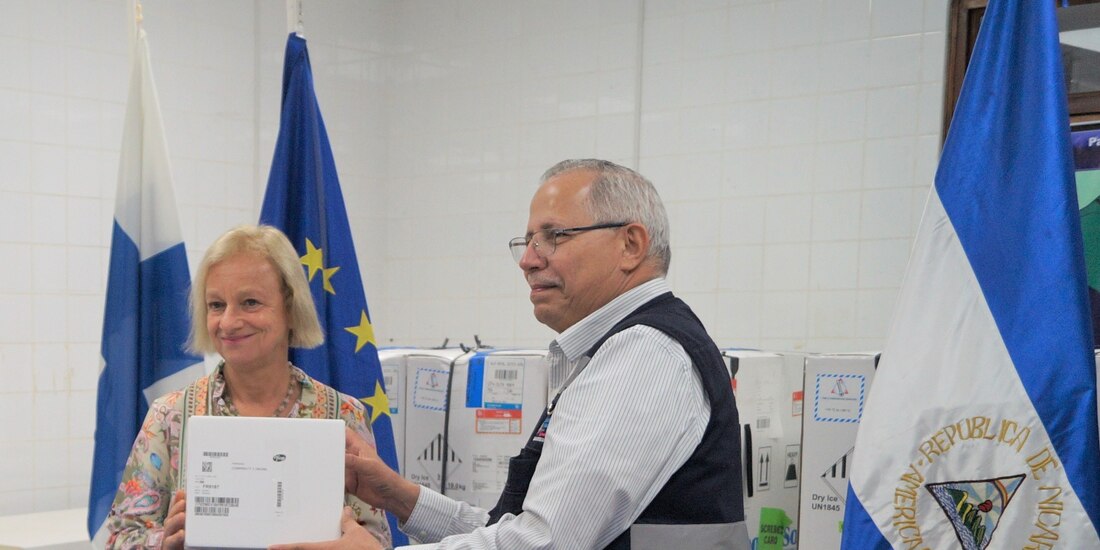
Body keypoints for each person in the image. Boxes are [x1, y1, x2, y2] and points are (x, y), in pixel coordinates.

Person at [331, 159, 748, 549]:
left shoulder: (644, 354)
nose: (528, 260)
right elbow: (519, 528)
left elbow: (544, 541)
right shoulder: (616, 351)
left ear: (630, 244)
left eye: (554, 236)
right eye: (527, 241)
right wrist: (398, 496)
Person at [104, 224, 392, 550]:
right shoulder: (169, 417)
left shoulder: (344, 416)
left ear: (292, 309)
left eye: (250, 302)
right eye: (216, 305)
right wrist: (164, 542)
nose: (228, 322)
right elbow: (119, 538)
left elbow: (377, 540)